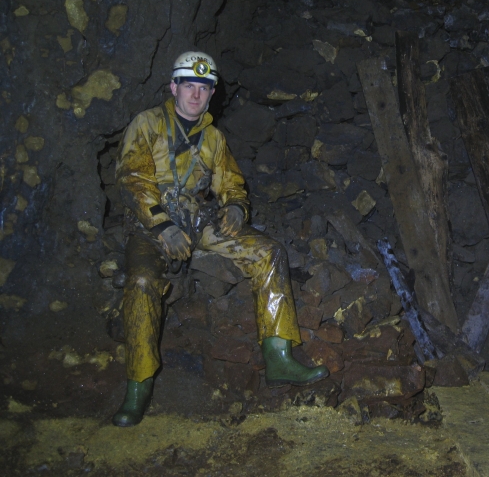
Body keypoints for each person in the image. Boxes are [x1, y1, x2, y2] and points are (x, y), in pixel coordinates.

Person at [112, 51, 328, 427]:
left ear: (212, 94)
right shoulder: (147, 124)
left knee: (269, 252)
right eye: (189, 86)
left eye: (204, 88)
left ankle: (279, 358)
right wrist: (162, 226)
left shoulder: (213, 137)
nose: (196, 95)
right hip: (151, 229)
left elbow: (231, 182)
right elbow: (133, 178)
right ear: (174, 87)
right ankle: (139, 385)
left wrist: (236, 208)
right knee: (143, 281)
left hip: (199, 223)